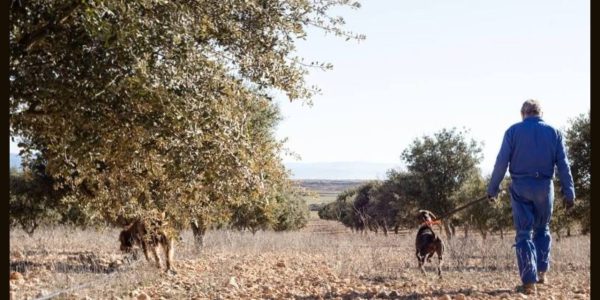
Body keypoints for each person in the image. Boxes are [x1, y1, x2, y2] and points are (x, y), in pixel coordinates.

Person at [487, 99, 575, 295]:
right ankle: (542, 272)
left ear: (523, 114)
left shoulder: (512, 131)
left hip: (521, 187)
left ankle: (529, 282)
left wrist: (492, 189)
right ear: (540, 114)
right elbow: (563, 165)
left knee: (524, 233)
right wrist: (569, 192)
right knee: (542, 228)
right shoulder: (554, 132)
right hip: (545, 187)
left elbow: (501, 162)